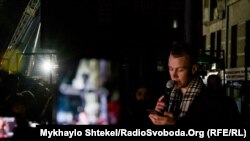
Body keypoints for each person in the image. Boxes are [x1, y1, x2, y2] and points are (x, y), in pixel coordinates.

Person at [148, 42, 236, 126]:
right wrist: (159, 117)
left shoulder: (214, 101)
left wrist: (175, 125)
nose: (174, 75)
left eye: (180, 70)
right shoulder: (169, 97)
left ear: (194, 69)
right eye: (171, 69)